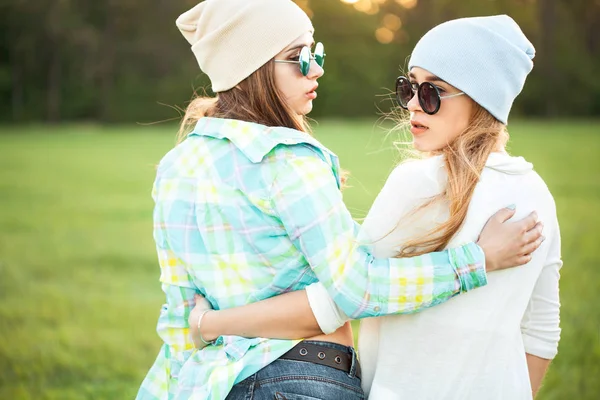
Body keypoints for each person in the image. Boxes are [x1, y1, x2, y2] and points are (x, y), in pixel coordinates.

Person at [136, 1, 543, 399]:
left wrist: (210, 327)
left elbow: (182, 312)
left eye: (315, 52)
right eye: (298, 57)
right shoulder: (289, 159)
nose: (317, 68)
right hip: (304, 377)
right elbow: (357, 288)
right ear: (252, 70)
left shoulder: (176, 166)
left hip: (207, 383)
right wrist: (477, 260)